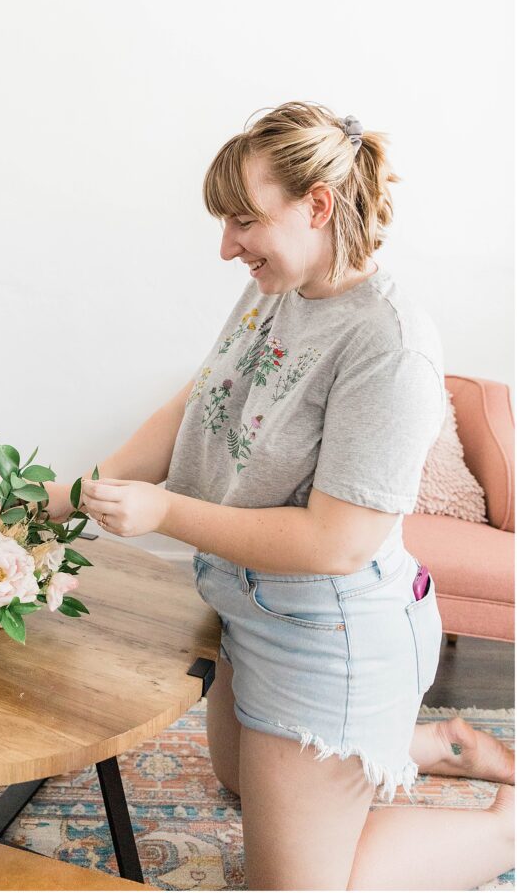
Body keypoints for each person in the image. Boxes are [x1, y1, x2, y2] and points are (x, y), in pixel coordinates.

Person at [43, 100, 515, 890]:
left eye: (242, 221)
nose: (227, 246)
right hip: (246, 603)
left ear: (316, 207)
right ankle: (416, 748)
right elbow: (206, 396)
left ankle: (503, 832)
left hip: (331, 633)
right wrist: (91, 489)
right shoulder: (279, 287)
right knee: (232, 779)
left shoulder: (390, 346)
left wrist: (162, 512)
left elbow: (337, 544)